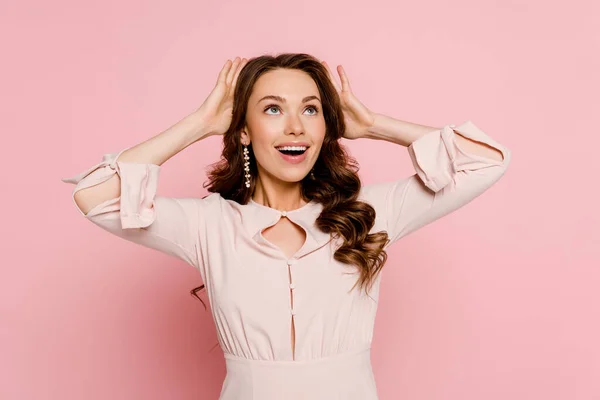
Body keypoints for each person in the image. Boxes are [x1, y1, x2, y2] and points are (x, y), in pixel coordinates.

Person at [62, 53, 511, 400]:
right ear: (243, 129)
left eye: (311, 110)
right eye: (273, 109)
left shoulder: (369, 210)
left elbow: (487, 162)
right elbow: (94, 195)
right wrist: (199, 125)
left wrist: (375, 126)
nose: (295, 127)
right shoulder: (208, 224)